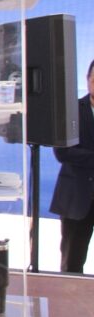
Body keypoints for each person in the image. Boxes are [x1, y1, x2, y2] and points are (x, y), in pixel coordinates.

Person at [51, 59, 94, 273]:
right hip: (78, 197)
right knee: (72, 263)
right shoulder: (71, 111)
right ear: (87, 80)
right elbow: (63, 152)